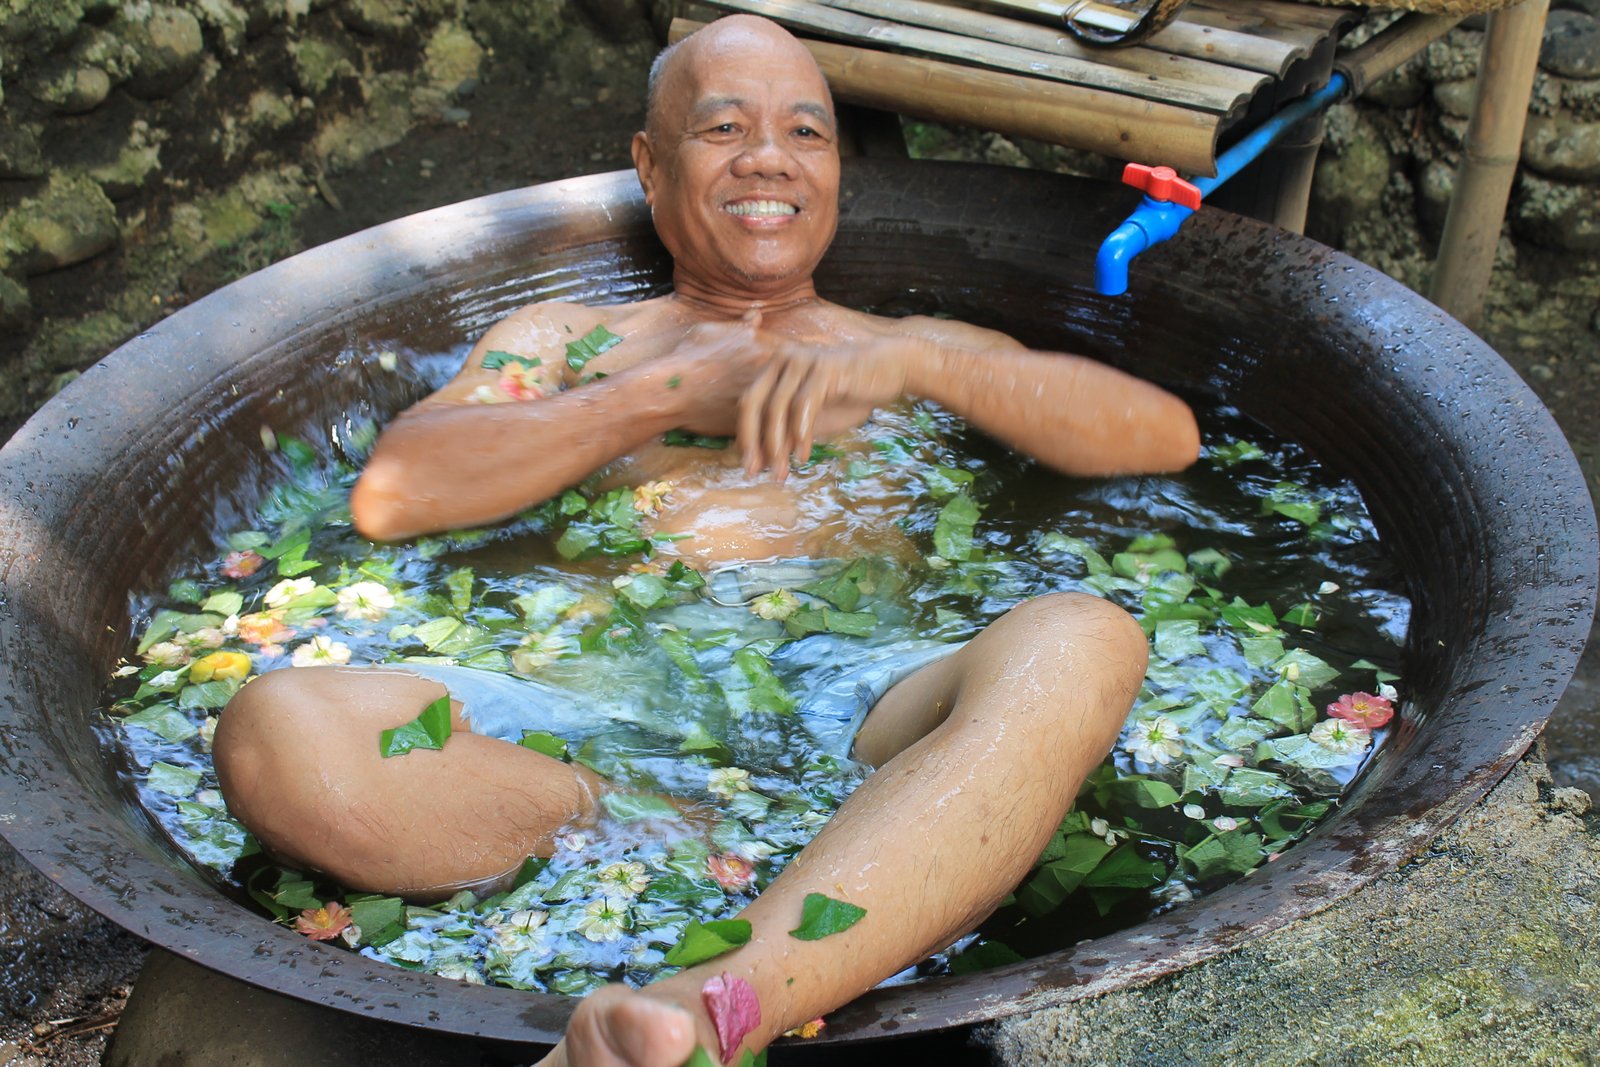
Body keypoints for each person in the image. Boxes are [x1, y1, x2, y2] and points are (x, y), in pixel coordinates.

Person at [214, 14, 1200, 1067]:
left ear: (835, 171)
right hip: (595, 720)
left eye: (805, 134)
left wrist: (920, 369)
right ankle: (653, 837)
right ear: (650, 165)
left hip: (866, 702)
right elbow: (397, 495)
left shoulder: (914, 349)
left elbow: (1159, 434)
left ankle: (713, 1008)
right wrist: (666, 390)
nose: (767, 157)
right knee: (282, 729)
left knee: (1082, 635)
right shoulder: (559, 341)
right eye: (724, 126)